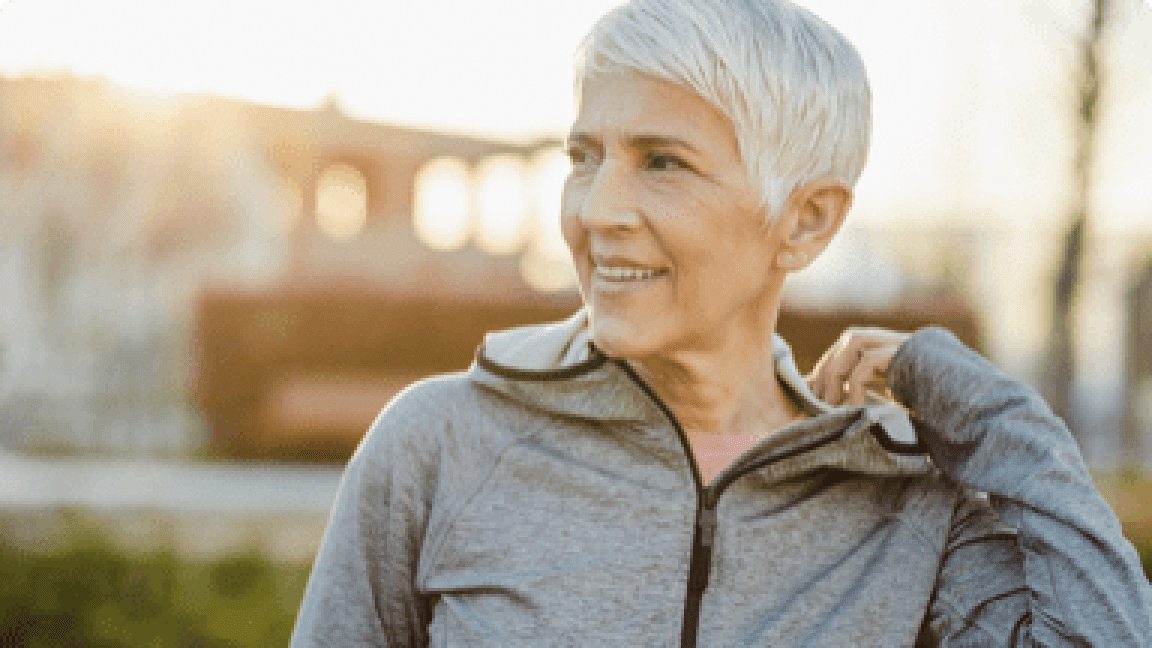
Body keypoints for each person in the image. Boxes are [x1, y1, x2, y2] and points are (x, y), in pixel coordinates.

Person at [290, 0, 1152, 645]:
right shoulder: (439, 447)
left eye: (662, 163)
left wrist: (984, 409)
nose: (599, 211)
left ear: (807, 219)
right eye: (584, 158)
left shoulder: (906, 510)